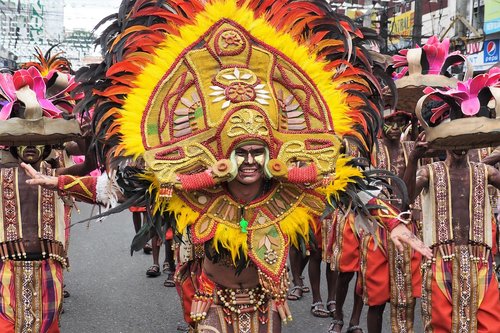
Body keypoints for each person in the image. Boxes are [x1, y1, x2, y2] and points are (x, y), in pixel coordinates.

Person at [403, 135, 500, 333]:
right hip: (441, 260)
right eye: (454, 142)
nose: (460, 148)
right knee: (441, 324)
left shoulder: (485, 171)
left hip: (480, 260)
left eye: (465, 143)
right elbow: (405, 200)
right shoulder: (428, 172)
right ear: (445, 143)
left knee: (489, 325)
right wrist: (413, 159)